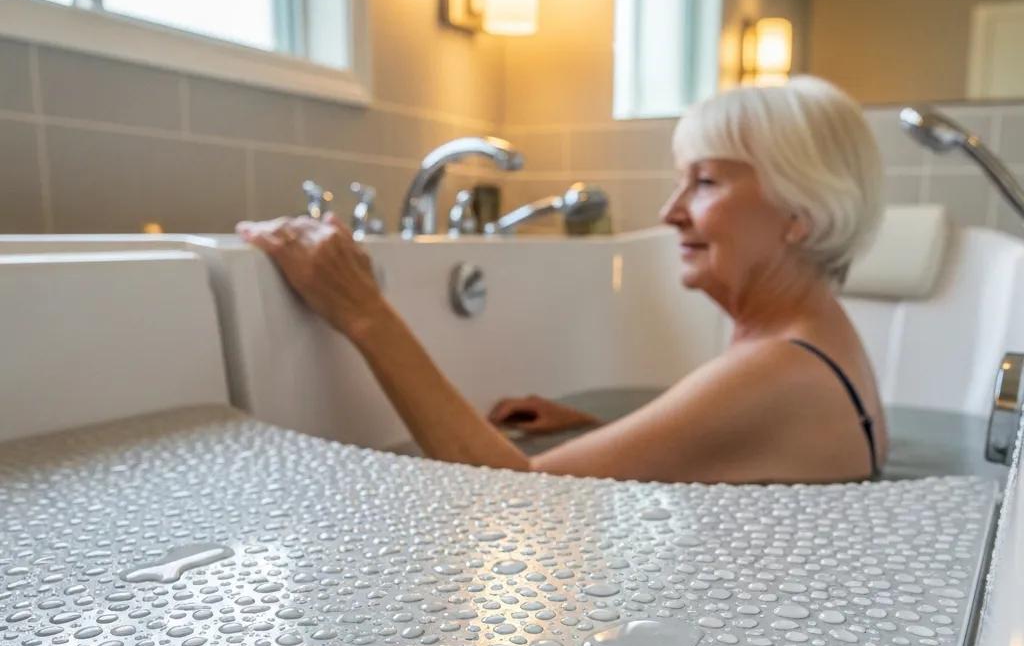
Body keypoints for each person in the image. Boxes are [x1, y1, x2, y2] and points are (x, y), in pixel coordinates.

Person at [236, 76, 887, 484]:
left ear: (799, 215)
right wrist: (597, 427)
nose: (670, 211)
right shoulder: (810, 339)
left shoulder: (780, 369)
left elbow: (513, 491)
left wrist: (362, 311)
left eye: (707, 180)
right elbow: (745, 442)